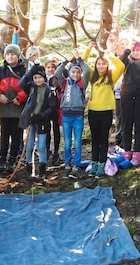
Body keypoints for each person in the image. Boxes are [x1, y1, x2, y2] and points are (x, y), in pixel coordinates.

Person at [83, 41, 125, 177]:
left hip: (106, 112)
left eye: (103, 63)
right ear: (96, 65)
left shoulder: (111, 76)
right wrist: (89, 49)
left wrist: (109, 54)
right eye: (99, 64)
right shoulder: (92, 76)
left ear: (107, 65)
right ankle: (94, 162)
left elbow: (121, 65)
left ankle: (102, 162)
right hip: (93, 111)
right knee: (95, 139)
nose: (101, 66)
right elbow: (82, 63)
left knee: (103, 139)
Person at [55, 48, 90, 179]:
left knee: (77, 142)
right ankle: (67, 163)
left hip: (78, 116)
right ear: (69, 73)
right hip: (66, 116)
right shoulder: (64, 83)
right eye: (73, 71)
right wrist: (66, 61)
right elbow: (58, 72)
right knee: (68, 142)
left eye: (77, 72)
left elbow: (87, 70)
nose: (75, 74)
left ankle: (76, 163)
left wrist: (79, 59)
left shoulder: (82, 83)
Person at [0, 43, 27, 173]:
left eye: (12, 54)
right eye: (8, 54)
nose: (10, 56)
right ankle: (2, 159)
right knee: (4, 134)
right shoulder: (0, 71)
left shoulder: (24, 71)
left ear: (18, 56)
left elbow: (28, 87)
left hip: (18, 110)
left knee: (17, 135)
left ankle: (12, 160)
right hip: (4, 109)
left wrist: (20, 97)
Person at [19, 65, 57, 181]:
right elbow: (21, 84)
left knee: (41, 146)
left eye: (39, 77)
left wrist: (41, 115)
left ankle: (42, 170)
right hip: (31, 121)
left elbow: (52, 108)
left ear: (44, 78)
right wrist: (30, 72)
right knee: (29, 146)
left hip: (42, 121)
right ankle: (29, 170)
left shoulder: (50, 91)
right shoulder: (31, 88)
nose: (37, 80)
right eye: (35, 78)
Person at [119, 41, 140, 165]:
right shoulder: (127, 62)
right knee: (127, 124)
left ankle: (138, 150)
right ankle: (127, 150)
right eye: (134, 50)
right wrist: (127, 50)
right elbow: (120, 62)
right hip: (127, 96)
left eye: (138, 50)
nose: (136, 53)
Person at [44, 57, 62, 165]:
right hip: (46, 108)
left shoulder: (58, 79)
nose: (50, 69)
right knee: (46, 130)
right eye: (48, 67)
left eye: (52, 67)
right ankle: (46, 150)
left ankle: (56, 151)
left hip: (56, 108)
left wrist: (59, 64)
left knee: (56, 130)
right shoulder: (42, 78)